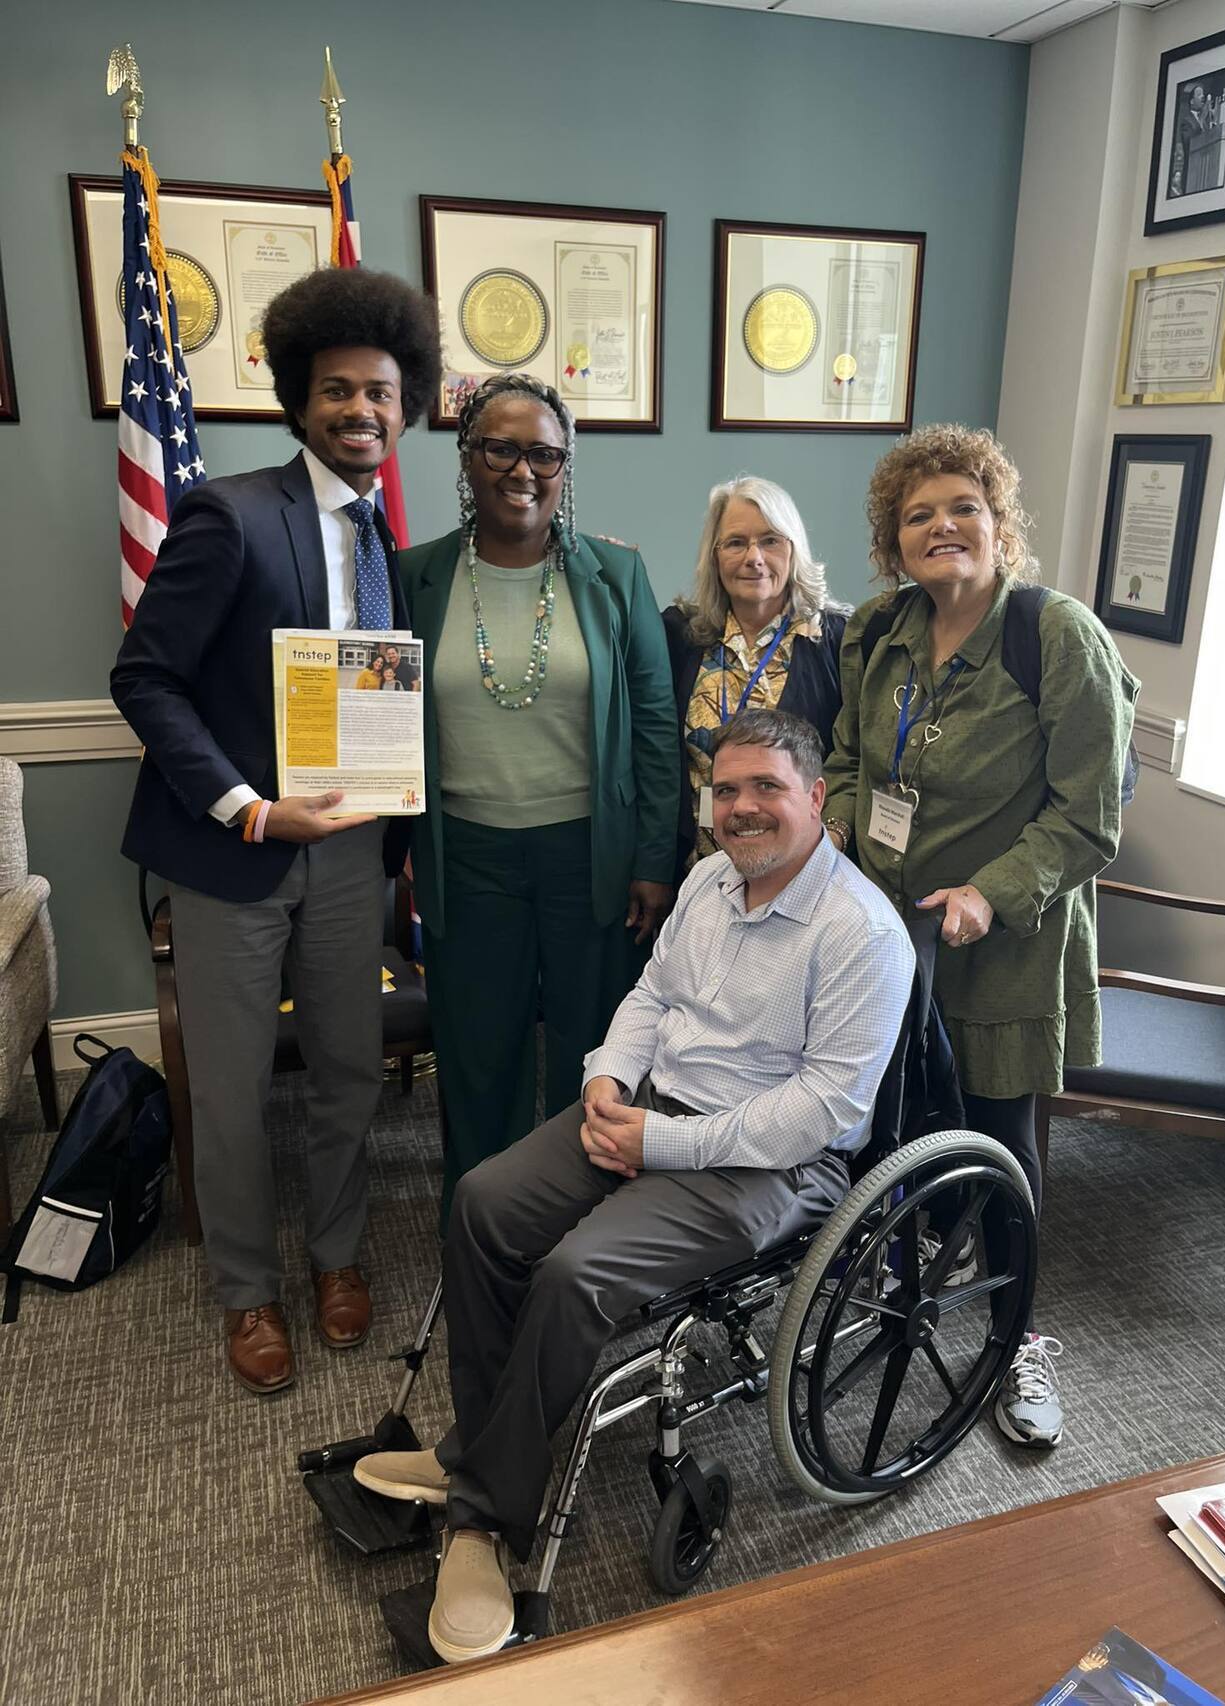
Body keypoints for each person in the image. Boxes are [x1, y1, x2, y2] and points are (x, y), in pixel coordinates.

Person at [353, 709, 915, 1663]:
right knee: (484, 1203)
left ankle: (484, 1514)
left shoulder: (861, 933)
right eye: (726, 789)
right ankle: (480, 1446)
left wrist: (666, 1144)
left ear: (816, 797)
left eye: (766, 788)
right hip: (645, 1110)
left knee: (577, 1274)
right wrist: (605, 1081)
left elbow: (820, 1110)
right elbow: (652, 998)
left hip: (766, 1167)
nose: (742, 808)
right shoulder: (706, 881)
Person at [110, 268, 441, 1395]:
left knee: (349, 1065)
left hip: (352, 853)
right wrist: (248, 807)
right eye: (339, 390)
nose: (362, 410)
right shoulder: (229, 511)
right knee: (237, 1085)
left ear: (408, 406)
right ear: (300, 398)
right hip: (235, 854)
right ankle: (247, 1287)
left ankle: (338, 1255)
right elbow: (145, 680)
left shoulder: (395, 545)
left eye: (383, 393)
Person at [823, 423, 1139, 1449]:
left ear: (999, 524)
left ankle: (1017, 1339)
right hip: (884, 943)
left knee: (997, 1145)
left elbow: (1088, 812)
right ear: (891, 541)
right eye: (917, 515)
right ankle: (914, 1285)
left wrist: (988, 893)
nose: (941, 527)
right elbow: (842, 758)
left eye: (963, 507)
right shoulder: (874, 630)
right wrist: (830, 823)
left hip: (1000, 945)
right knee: (897, 1127)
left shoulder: (1053, 635)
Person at [398, 373, 680, 1228]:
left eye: (544, 453)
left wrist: (652, 860)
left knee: (591, 1056)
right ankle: (480, 1220)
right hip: (467, 853)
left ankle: (578, 1223)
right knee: (478, 1057)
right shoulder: (415, 577)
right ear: (467, 457)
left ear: (565, 466)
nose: (524, 469)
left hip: (588, 855)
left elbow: (656, 725)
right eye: (501, 448)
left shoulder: (616, 574)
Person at [662, 476, 848, 880]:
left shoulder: (837, 640)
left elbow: (854, 758)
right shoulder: (679, 635)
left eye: (770, 541)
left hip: (799, 872)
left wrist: (835, 839)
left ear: (793, 549)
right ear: (714, 556)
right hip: (693, 872)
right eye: (735, 543)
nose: (754, 557)